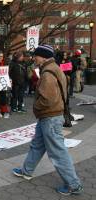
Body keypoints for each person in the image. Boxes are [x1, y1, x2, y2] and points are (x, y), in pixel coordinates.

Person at [12, 44, 83, 195]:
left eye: (36, 55)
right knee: (37, 145)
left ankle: (73, 184)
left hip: (49, 117)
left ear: (43, 56)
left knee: (57, 152)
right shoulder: (54, 68)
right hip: (50, 116)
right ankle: (27, 171)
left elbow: (47, 99)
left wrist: (36, 108)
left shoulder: (48, 73)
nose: (34, 58)